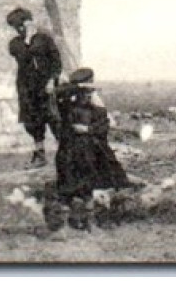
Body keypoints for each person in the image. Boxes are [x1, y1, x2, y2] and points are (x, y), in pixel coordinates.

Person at [50, 68, 132, 232]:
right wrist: (73, 86)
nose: (87, 96)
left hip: (91, 154)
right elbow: (53, 98)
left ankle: (90, 223)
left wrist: (87, 129)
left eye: (89, 92)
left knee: (89, 187)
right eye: (83, 92)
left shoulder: (98, 111)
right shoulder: (67, 109)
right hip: (69, 153)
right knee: (67, 187)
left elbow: (103, 128)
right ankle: (64, 226)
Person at [6, 6, 64, 167]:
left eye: (21, 25)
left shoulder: (45, 39)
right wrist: (28, 40)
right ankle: (39, 155)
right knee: (33, 120)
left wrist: (52, 80)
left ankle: (66, 154)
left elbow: (56, 61)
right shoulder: (15, 44)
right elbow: (24, 56)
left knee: (54, 119)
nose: (19, 29)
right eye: (17, 27)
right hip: (27, 87)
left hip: (46, 85)